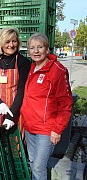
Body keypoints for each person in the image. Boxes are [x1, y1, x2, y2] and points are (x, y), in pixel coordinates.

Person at [20, 33, 73, 180]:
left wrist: (57, 130)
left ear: (47, 49)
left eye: (40, 47)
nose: (36, 51)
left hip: (47, 129)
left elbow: (65, 102)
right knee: (33, 162)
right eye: (32, 48)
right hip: (31, 127)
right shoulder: (32, 68)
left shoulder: (57, 70)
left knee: (38, 166)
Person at [0, 27, 31, 131]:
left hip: (14, 112)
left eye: (14, 41)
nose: (11, 45)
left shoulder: (23, 62)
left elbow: (21, 91)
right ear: (1, 43)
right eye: (7, 41)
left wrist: (11, 116)